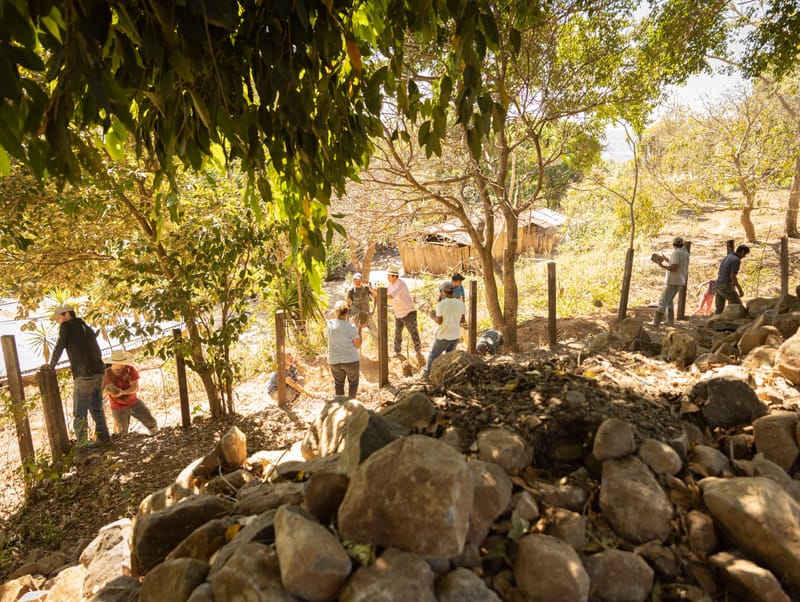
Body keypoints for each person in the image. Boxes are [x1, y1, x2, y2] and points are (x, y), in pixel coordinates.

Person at [48, 304, 112, 447]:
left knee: (79, 413)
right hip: (99, 372)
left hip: (84, 374)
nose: (58, 322)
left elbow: (60, 345)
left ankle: (81, 450)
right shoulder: (86, 327)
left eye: (58, 318)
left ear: (67, 315)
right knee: (96, 407)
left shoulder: (67, 326)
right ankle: (104, 438)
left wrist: (51, 365)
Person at [102, 350, 159, 436]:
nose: (125, 364)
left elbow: (136, 388)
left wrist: (123, 392)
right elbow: (101, 397)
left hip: (134, 401)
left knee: (151, 422)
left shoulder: (129, 369)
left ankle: (156, 434)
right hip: (118, 407)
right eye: (122, 362)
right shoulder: (105, 375)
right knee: (123, 433)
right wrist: (106, 390)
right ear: (114, 362)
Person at [423, 281, 466, 376]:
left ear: (443, 291)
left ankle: (427, 373)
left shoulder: (441, 305)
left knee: (433, 355)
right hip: (455, 335)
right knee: (449, 357)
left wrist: (432, 317)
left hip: (443, 335)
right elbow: (462, 321)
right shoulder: (461, 304)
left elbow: (439, 321)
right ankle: (447, 375)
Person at [386, 266, 425, 364]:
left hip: (408, 312)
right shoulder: (390, 285)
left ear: (394, 276)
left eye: (389, 276)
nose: (387, 277)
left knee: (413, 332)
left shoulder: (400, 284)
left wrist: (379, 293)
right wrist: (373, 290)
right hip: (398, 312)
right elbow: (383, 293)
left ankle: (418, 351)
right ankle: (397, 351)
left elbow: (390, 296)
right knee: (398, 333)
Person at [650, 237, 690, 327]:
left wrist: (662, 265)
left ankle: (655, 322)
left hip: (673, 280)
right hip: (680, 280)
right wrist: (666, 259)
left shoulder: (676, 253)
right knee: (669, 301)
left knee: (663, 300)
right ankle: (670, 320)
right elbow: (677, 264)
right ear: (683, 244)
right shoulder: (685, 253)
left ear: (673, 244)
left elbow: (674, 268)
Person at [327, 300, 361, 398]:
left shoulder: (329, 325)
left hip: (334, 361)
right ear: (347, 312)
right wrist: (359, 328)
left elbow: (332, 318)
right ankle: (350, 406)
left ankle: (340, 406)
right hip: (351, 360)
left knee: (338, 384)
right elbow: (357, 345)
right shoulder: (351, 327)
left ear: (336, 312)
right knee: (353, 384)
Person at [714, 244, 750, 314]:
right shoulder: (736, 260)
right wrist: (740, 289)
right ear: (742, 252)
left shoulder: (728, 256)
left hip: (718, 284)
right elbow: (732, 276)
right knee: (738, 306)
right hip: (725, 285)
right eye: (745, 254)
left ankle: (713, 323)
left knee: (719, 310)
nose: (744, 256)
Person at [346, 273, 378, 345]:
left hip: (366, 314)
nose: (357, 282)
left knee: (375, 332)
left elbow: (376, 295)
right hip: (355, 315)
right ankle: (356, 353)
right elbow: (348, 304)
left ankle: (379, 350)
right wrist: (347, 318)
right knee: (354, 335)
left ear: (362, 280)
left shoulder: (366, 288)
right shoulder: (351, 290)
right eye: (355, 280)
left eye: (359, 280)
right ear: (353, 281)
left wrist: (373, 310)